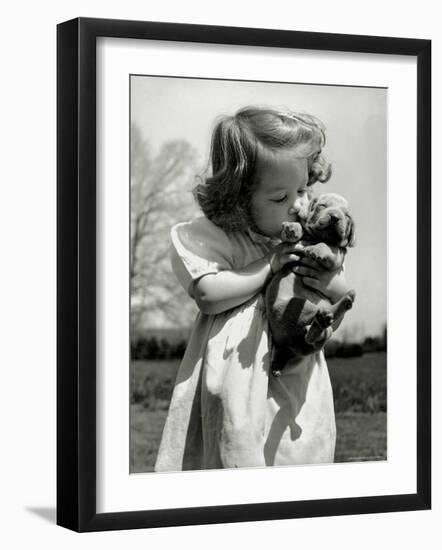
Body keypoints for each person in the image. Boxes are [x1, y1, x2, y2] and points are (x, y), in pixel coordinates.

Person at [155, 106, 351, 471]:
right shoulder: (221, 238)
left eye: (302, 189)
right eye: (279, 198)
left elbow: (342, 291)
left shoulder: (308, 239)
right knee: (234, 450)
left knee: (295, 454)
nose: (296, 205)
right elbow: (208, 294)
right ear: (238, 198)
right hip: (237, 379)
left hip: (295, 376)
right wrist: (269, 265)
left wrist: (325, 279)